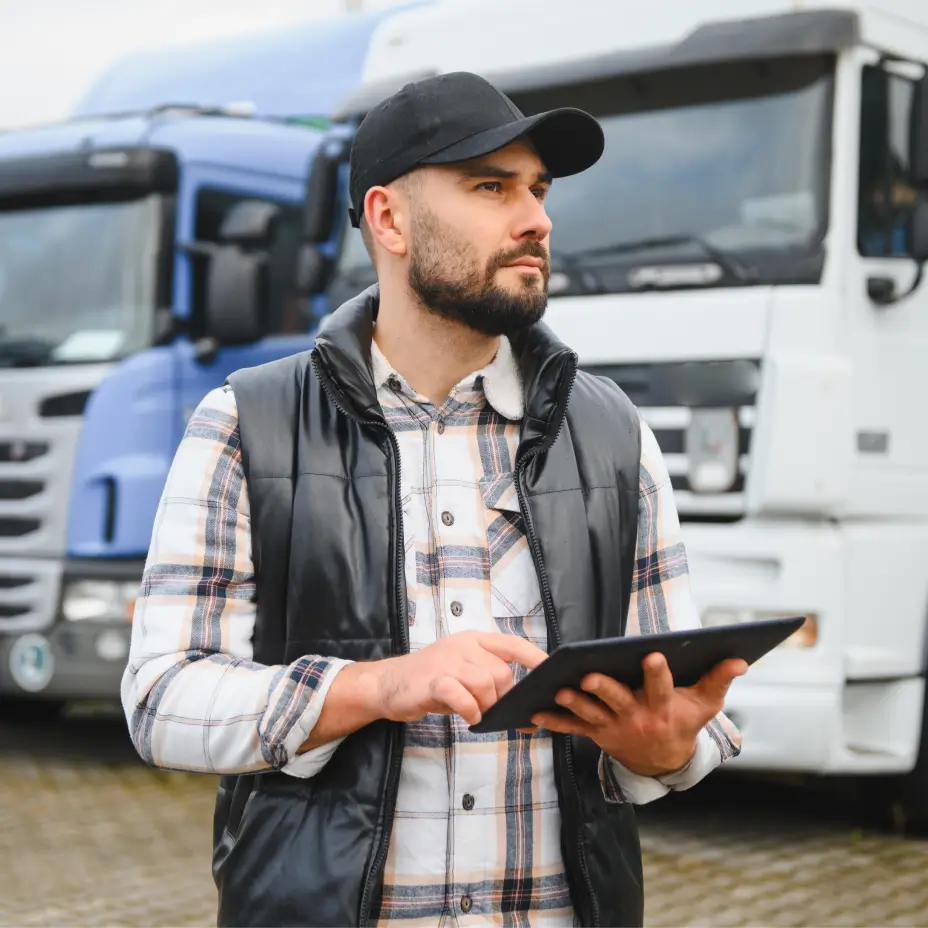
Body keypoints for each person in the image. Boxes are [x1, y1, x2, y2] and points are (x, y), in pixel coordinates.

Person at [122, 71, 746, 927]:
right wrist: (377, 687)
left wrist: (666, 747)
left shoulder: (612, 434)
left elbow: (678, 719)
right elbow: (163, 699)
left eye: (537, 189)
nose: (536, 219)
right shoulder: (246, 424)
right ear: (389, 219)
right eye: (490, 186)